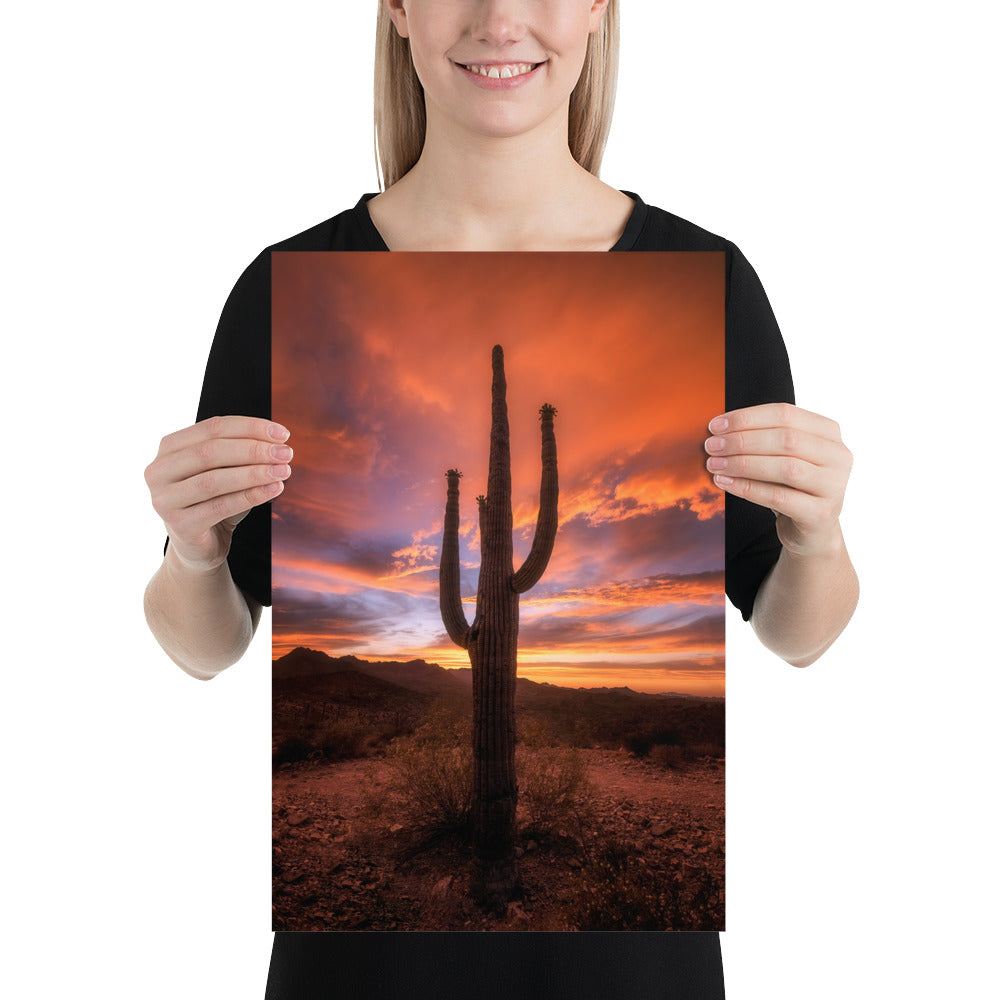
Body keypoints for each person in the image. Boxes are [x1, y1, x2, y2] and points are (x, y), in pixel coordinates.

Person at [143, 1, 859, 997]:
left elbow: (795, 632)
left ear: (601, 8)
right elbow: (207, 643)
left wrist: (816, 537)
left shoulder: (708, 280)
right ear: (397, 9)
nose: (500, 17)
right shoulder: (282, 286)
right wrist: (193, 552)